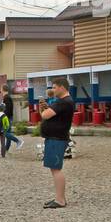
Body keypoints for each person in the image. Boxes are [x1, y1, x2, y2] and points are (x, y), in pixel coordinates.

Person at [36, 76, 74, 208]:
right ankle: (60, 197)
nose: (52, 89)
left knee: (56, 169)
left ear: (62, 87)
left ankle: (60, 200)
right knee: (54, 168)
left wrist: (42, 109)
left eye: (54, 87)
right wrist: (46, 108)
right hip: (56, 138)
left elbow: (45, 115)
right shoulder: (62, 102)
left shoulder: (63, 102)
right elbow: (52, 114)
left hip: (56, 139)